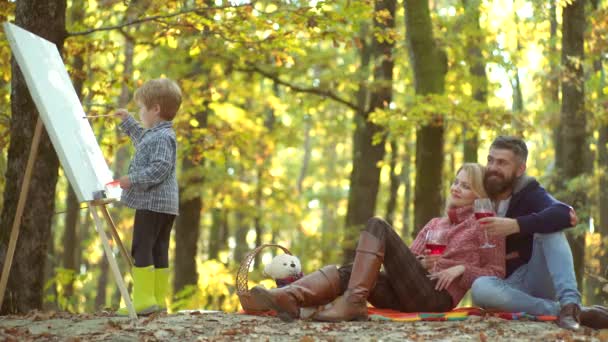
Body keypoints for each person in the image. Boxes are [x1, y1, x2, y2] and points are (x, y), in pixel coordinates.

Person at [250, 163, 505, 322]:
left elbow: (496, 274)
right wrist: (422, 262)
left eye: (466, 186)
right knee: (351, 270)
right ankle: (290, 296)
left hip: (435, 299)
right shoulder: (434, 224)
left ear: (479, 195)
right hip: (407, 292)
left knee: (377, 225)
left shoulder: (485, 225)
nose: (456, 188)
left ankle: (351, 303)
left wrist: (461, 269)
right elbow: (404, 261)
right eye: (455, 182)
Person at [471, 136, 608, 330]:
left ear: (520, 170)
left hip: (534, 276)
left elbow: (564, 214)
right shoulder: (478, 189)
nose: (493, 167)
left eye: (502, 163)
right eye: (490, 160)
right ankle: (570, 311)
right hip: (505, 288)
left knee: (550, 229)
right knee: (479, 288)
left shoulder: (529, 191)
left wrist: (516, 225)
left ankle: (570, 302)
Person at [114, 78, 181, 315]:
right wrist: (128, 122)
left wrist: (132, 179)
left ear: (156, 109)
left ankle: (142, 300)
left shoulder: (162, 137)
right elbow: (143, 140)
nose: (140, 112)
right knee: (158, 249)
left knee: (142, 247)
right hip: (165, 206)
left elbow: (160, 166)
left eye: (142, 108)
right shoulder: (158, 134)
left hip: (153, 204)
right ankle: (155, 300)